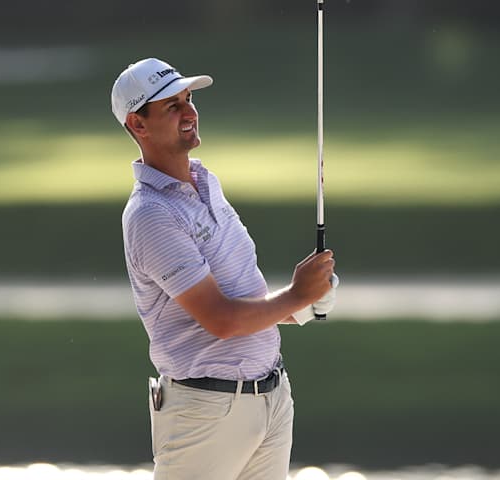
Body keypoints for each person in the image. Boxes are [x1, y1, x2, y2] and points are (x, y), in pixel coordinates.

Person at [111, 57, 337, 479]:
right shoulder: (150, 213)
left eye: (188, 99)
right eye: (171, 106)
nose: (190, 112)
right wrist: (295, 294)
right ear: (138, 126)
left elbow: (245, 304)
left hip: (270, 398)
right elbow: (221, 320)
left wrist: (303, 305)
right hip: (205, 414)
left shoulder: (205, 182)